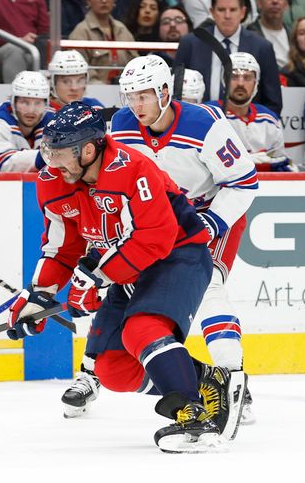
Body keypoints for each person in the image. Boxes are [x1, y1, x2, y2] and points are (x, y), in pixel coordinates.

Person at [7, 101, 246, 453]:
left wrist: (99, 276)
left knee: (142, 329)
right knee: (113, 369)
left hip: (178, 257)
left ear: (87, 150)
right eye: (48, 152)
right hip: (124, 265)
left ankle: (194, 417)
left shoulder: (134, 169)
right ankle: (209, 380)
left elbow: (157, 237)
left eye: (58, 154)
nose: (51, 162)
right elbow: (61, 247)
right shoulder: (54, 181)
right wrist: (38, 295)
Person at [102, 55, 256, 425]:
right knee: (133, 302)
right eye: (129, 97)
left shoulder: (205, 123)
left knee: (209, 287)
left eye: (143, 96)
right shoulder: (121, 125)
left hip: (211, 215)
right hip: (158, 226)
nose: (135, 105)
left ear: (164, 92)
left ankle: (233, 377)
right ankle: (195, 379)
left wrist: (211, 221)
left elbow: (244, 182)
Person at [174, 0, 282, 114]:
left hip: (246, 128)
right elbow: (176, 93)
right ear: (212, 12)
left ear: (242, 12)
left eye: (233, 10)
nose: (227, 16)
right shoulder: (191, 43)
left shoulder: (262, 47)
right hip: (199, 124)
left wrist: (255, 127)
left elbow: (273, 102)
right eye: (221, 10)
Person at [205, 52, 294, 172]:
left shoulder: (269, 119)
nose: (240, 83)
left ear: (256, 82)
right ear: (224, 80)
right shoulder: (208, 115)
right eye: (234, 77)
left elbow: (279, 161)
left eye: (247, 77)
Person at [0, 70, 53, 172]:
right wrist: (50, 155)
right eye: (24, 102)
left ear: (46, 104)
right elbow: (4, 163)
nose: (31, 110)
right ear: (13, 102)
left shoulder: (53, 121)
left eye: (38, 103)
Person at [69, 0, 138, 84]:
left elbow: (135, 63)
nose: (104, 0)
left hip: (126, 90)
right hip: (93, 91)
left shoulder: (122, 29)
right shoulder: (81, 32)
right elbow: (79, 71)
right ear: (88, 0)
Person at [247, 0, 290, 69]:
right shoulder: (250, 35)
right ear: (259, 3)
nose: (275, 1)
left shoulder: (292, 33)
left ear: (286, 5)